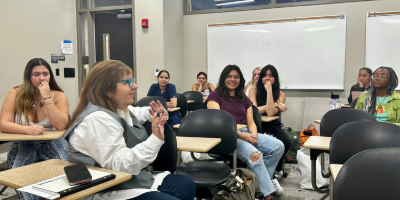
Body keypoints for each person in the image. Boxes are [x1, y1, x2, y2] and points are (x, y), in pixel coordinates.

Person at [63, 60, 195, 200]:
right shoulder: (97, 119)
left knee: (186, 184)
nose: (135, 86)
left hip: (126, 180)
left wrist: (160, 113)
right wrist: (155, 139)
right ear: (107, 89)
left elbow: (142, 113)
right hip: (106, 189)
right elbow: (119, 166)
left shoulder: (120, 109)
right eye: (128, 82)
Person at [206, 65, 285, 199]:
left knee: (278, 146)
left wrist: (253, 134)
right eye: (229, 76)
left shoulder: (243, 97)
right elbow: (221, 124)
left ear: (240, 79)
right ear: (223, 78)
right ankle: (266, 195)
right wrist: (243, 136)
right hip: (225, 136)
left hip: (245, 133)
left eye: (236, 77)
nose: (232, 79)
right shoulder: (215, 96)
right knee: (255, 156)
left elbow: (251, 122)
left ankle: (255, 184)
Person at [0, 58, 69, 200]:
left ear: (50, 76)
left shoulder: (59, 96)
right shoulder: (15, 93)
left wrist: (47, 98)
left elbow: (61, 125)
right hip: (22, 143)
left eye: (45, 74)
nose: (42, 78)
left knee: (65, 178)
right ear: (28, 77)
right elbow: (3, 124)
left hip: (51, 143)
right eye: (36, 74)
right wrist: (27, 130)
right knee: (22, 182)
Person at [248, 64, 291, 177]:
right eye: (265, 75)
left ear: (275, 79)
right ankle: (265, 172)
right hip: (256, 125)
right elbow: (255, 110)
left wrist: (270, 92)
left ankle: (276, 168)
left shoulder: (281, 93)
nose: (267, 78)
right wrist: (276, 104)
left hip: (272, 125)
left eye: (271, 76)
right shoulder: (253, 89)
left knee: (285, 141)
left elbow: (271, 112)